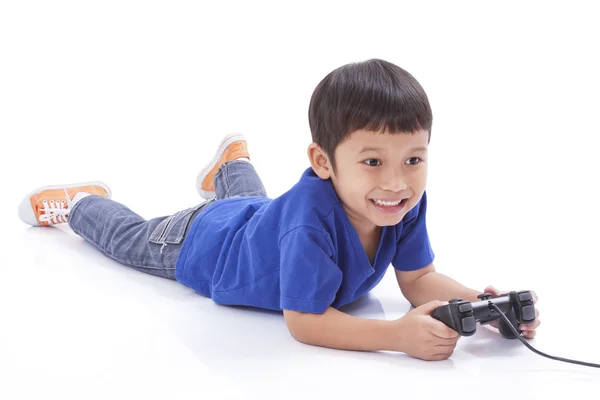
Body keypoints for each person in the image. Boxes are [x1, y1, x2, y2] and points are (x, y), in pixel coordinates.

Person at [18, 59, 540, 361]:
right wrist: (395, 337)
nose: (396, 182)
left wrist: (483, 306)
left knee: (250, 204)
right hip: (202, 245)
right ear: (323, 162)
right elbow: (305, 321)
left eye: (414, 159)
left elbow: (419, 277)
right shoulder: (309, 222)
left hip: (257, 219)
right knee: (132, 241)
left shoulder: (402, 202)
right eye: (373, 161)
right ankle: (83, 205)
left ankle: (230, 165)